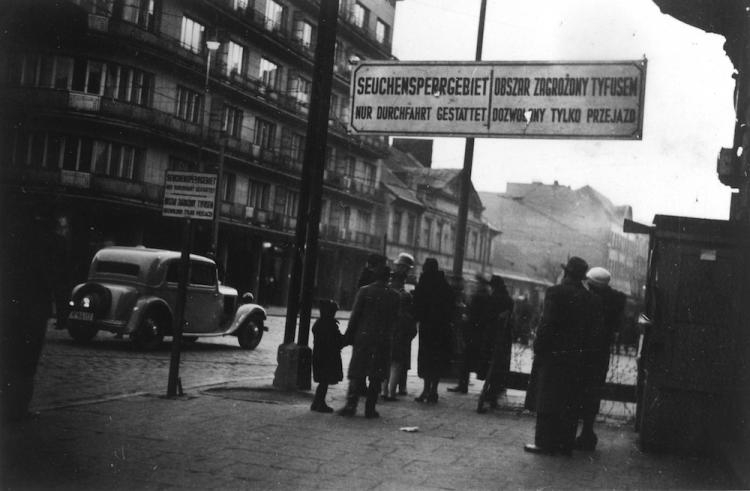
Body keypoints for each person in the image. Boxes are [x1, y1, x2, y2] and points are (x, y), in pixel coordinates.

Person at [524, 257, 593, 456]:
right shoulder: (589, 298)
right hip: (577, 358)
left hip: (553, 356)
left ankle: (544, 443)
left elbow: (547, 324)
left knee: (547, 399)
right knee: (570, 401)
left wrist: (539, 346)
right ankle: (565, 444)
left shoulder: (555, 293)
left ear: (566, 274)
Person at [1, 207, 55, 422]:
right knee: (26, 362)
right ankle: (19, 408)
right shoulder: (48, 245)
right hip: (34, 310)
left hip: (12, 307)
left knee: (11, 358)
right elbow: (52, 278)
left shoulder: (14, 241)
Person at [339, 265, 399, 418]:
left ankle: (351, 405)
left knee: (357, 370)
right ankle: (370, 408)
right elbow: (395, 320)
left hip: (363, 337)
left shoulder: (364, 291)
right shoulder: (394, 295)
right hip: (383, 339)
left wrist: (348, 336)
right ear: (388, 278)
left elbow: (355, 316)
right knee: (376, 374)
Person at [575, 267, 625, 450]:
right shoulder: (617, 300)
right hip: (602, 352)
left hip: (584, 351)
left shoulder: (590, 301)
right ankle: (588, 430)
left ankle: (580, 433)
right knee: (594, 392)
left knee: (578, 390)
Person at [413, 258, 454, 404]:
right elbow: (451, 307)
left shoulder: (424, 283)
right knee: (437, 359)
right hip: (442, 329)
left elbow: (417, 305)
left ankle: (425, 390)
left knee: (426, 358)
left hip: (427, 327)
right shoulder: (445, 285)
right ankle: (434, 391)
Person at [476, 274, 515, 413]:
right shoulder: (509, 300)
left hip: (492, 336)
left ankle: (487, 393)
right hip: (504, 338)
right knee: (499, 366)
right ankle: (493, 394)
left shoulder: (492, 299)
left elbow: (487, 317)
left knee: (489, 365)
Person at [382, 259, 417, 401]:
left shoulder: (387, 292)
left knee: (386, 362)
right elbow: (412, 318)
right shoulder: (406, 295)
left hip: (387, 331)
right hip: (401, 333)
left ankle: (384, 391)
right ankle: (392, 392)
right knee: (397, 364)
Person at [448, 274, 486, 394]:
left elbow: (472, 314)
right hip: (477, 334)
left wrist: (466, 318)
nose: (474, 285)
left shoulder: (478, 297)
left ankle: (462, 385)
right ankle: (463, 384)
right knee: (468, 360)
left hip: (472, 334)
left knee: (466, 360)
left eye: (476, 283)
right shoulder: (483, 296)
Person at [311, 299, 344, 413]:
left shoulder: (320, 323)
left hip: (319, 355)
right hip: (327, 357)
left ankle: (317, 402)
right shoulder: (329, 324)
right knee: (324, 381)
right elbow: (338, 340)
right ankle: (320, 403)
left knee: (323, 381)